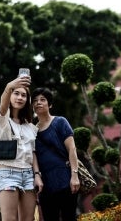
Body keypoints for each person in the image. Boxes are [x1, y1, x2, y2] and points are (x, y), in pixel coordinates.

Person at [0, 75, 43, 221]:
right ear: (10, 95)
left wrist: (37, 175)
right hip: (7, 172)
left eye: (24, 95)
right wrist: (9, 86)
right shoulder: (2, 120)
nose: (20, 97)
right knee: (10, 219)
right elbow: (3, 106)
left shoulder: (30, 126)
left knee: (28, 219)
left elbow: (33, 152)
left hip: (28, 175)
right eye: (16, 93)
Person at [32, 87, 80, 221]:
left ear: (50, 104)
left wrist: (74, 175)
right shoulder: (32, 131)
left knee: (69, 217)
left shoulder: (60, 122)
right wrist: (36, 175)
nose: (38, 103)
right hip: (45, 184)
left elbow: (72, 149)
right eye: (35, 101)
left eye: (42, 100)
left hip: (65, 179)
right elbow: (33, 155)